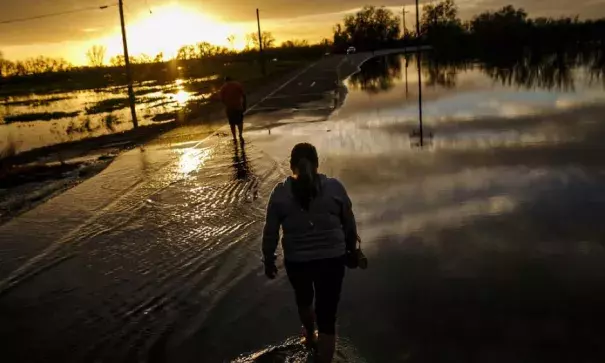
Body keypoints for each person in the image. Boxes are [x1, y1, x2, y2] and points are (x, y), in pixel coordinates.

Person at [262, 143, 358, 363]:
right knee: (327, 315)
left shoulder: (279, 193)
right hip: (333, 259)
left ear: (291, 166)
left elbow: (270, 233)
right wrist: (352, 249)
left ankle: (310, 335)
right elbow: (349, 224)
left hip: (298, 262)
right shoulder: (334, 188)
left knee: (304, 301)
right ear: (317, 164)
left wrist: (269, 260)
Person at [219, 76, 247, 141]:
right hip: (238, 106)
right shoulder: (237, 85)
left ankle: (234, 136)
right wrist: (244, 105)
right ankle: (240, 134)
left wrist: (226, 104)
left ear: (225, 81)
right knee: (240, 121)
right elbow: (243, 95)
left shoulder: (223, 87)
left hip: (229, 108)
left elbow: (221, 99)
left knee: (232, 123)